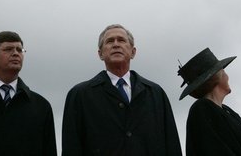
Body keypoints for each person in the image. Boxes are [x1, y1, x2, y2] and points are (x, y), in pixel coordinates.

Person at [62, 24, 182, 156]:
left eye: (121, 40)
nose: (116, 44)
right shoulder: (80, 95)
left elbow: (172, 144)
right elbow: (71, 147)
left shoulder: (155, 93)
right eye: (109, 41)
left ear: (133, 52)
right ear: (100, 54)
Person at [178, 48, 241, 156]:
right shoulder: (201, 109)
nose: (228, 77)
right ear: (216, 77)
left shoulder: (228, 111)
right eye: (224, 72)